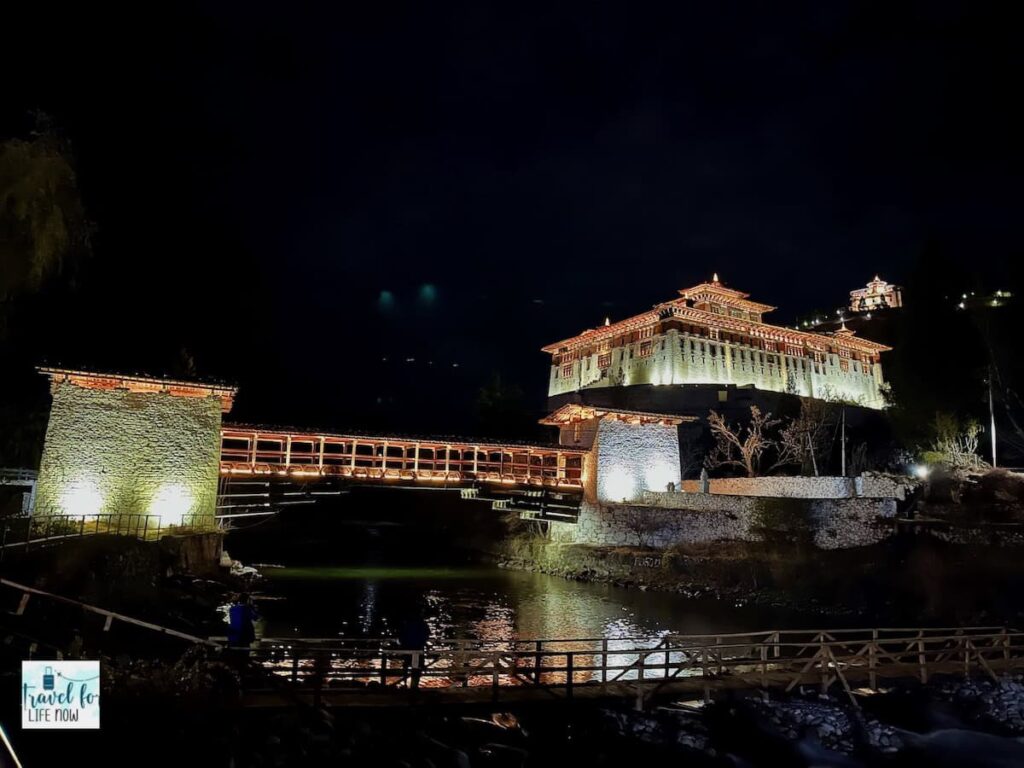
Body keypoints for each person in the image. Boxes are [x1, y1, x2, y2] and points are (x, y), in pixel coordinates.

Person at [397, 610, 431, 689]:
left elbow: (401, 635)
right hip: (418, 648)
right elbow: (426, 634)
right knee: (417, 668)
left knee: (406, 666)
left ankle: (405, 683)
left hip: (407, 648)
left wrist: (403, 644)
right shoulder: (422, 624)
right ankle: (414, 686)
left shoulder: (407, 623)